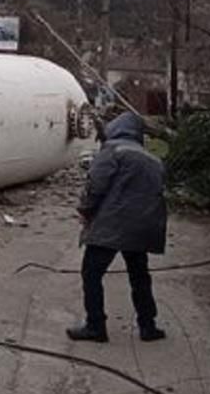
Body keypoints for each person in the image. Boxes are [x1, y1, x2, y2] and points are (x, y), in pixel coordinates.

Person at [68, 111, 168, 343]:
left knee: (91, 273)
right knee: (139, 275)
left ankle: (95, 326)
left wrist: (85, 210)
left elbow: (96, 184)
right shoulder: (152, 159)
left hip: (113, 224)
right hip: (143, 226)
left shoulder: (113, 150)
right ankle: (148, 326)